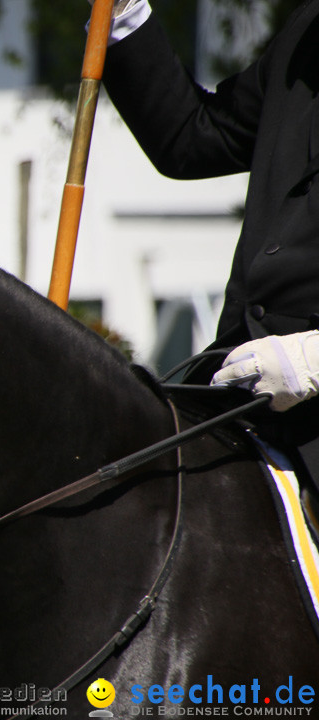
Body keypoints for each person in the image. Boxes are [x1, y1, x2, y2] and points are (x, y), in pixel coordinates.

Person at [90, 0, 319, 482]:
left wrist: (313, 360)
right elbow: (196, 137)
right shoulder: (310, 32)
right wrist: (124, 11)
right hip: (238, 398)